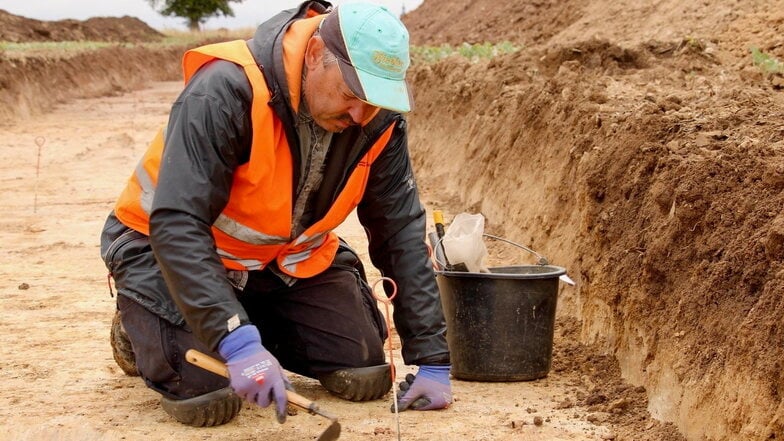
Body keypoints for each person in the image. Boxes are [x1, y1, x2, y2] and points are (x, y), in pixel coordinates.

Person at [100, 0, 452, 427]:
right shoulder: (227, 88)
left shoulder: (377, 120)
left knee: (363, 368)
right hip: (165, 249)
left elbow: (398, 230)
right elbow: (177, 222)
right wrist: (235, 341)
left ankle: (240, 319)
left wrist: (432, 357)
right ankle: (141, 327)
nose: (362, 114)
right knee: (205, 396)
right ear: (317, 52)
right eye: (351, 94)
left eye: (375, 100)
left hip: (278, 262)